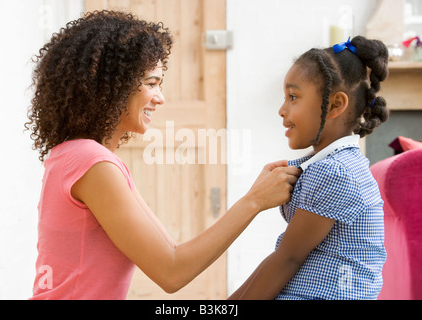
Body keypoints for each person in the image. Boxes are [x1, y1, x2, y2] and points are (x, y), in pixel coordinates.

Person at [25, 10, 300, 300]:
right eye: (152, 83)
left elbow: (174, 255)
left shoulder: (80, 156)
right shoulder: (92, 162)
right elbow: (171, 272)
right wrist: (254, 201)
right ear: (113, 87)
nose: (161, 97)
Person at [229, 36, 389, 300]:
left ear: (335, 105)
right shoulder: (330, 165)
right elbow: (282, 258)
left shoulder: (335, 172)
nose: (282, 110)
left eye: (293, 97)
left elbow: (287, 259)